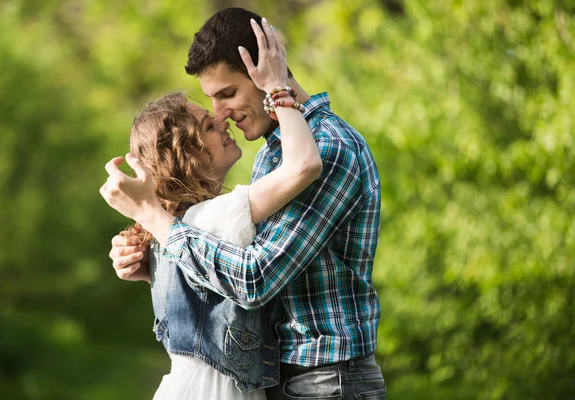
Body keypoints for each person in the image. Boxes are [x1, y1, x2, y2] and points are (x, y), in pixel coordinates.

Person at [109, 7, 386, 400]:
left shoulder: (327, 147)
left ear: (267, 70)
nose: (221, 114)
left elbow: (255, 279)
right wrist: (159, 265)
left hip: (325, 380)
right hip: (286, 378)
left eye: (228, 93)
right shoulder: (272, 153)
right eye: (212, 100)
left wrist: (160, 226)